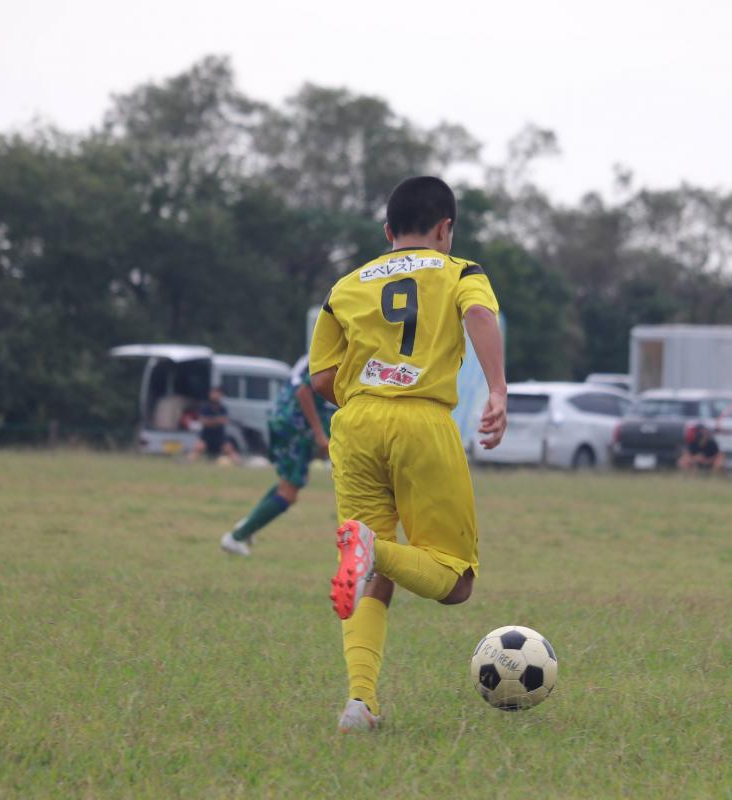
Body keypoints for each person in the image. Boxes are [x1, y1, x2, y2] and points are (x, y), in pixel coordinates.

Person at [308, 176, 507, 733]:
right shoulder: (461, 271)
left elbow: (321, 376)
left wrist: (369, 396)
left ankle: (360, 703)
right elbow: (480, 317)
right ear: (445, 228)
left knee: (372, 575)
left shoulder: (346, 285)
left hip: (356, 424)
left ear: (387, 230)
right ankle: (373, 549)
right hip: (422, 422)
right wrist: (497, 390)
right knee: (455, 581)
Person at [220, 355, 334, 556]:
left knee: (286, 485)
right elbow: (303, 392)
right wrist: (319, 433)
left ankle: (247, 526)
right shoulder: (332, 353)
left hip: (286, 420)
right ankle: (236, 537)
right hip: (296, 427)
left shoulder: (318, 350)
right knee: (289, 493)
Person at [189, 387, 240, 464]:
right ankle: (187, 463)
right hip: (206, 436)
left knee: (230, 449)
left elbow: (224, 421)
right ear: (210, 395)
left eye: (218, 394)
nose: (215, 396)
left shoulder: (223, 408)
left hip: (220, 436)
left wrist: (210, 421)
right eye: (214, 393)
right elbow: (203, 422)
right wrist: (216, 420)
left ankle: (240, 464)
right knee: (198, 448)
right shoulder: (205, 408)